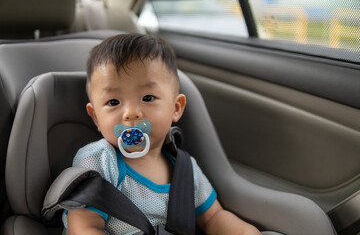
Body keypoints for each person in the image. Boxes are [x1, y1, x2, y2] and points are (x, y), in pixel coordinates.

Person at [63, 33, 261, 235]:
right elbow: (84, 228)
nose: (131, 113)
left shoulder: (185, 170)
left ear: (176, 108)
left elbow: (213, 217)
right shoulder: (99, 161)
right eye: (113, 102)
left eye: (148, 97)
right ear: (95, 117)